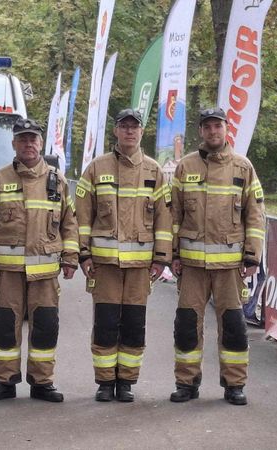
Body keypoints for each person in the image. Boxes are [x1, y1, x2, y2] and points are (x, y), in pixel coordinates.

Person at [0, 118, 79, 402]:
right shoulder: (0, 179)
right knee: (6, 327)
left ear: (41, 143)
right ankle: (4, 381)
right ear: (14, 144)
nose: (28, 144)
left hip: (45, 274)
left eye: (33, 139)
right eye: (22, 139)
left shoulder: (57, 180)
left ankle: (42, 382)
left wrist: (71, 257)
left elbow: (70, 223)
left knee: (45, 326)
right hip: (8, 272)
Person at [170, 108, 265, 405]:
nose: (213, 131)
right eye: (208, 126)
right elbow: (173, 215)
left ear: (226, 129)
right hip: (192, 267)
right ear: (201, 131)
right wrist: (173, 254)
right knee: (187, 326)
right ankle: (186, 383)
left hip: (230, 268)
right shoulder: (185, 167)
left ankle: (234, 384)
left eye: (218, 126)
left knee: (233, 326)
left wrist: (252, 257)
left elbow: (255, 215)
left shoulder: (243, 167)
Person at [75, 109, 172, 402]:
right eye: (124, 126)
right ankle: (105, 382)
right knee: (105, 323)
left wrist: (161, 258)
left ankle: (127, 382)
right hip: (104, 266)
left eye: (134, 127)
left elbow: (164, 220)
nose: (129, 131)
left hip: (140, 268)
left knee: (133, 324)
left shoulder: (154, 172)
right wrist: (83, 254)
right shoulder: (96, 168)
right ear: (115, 131)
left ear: (141, 132)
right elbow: (82, 216)